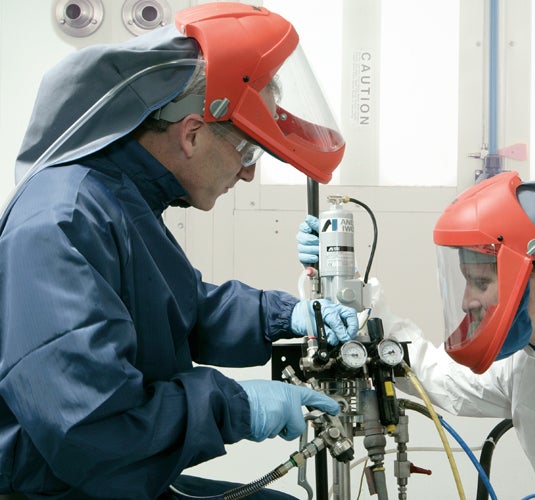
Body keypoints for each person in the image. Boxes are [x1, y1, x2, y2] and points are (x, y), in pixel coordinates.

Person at [0, 3, 359, 499]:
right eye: (248, 151)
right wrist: (238, 407)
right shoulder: (63, 219)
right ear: (192, 134)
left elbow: (184, 308)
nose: (249, 172)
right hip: (68, 485)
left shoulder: (121, 199)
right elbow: (92, 430)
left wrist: (285, 316)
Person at [297, 171, 535, 498]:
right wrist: (350, 293)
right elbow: (430, 373)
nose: (466, 302)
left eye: (480, 282)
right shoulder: (530, 366)